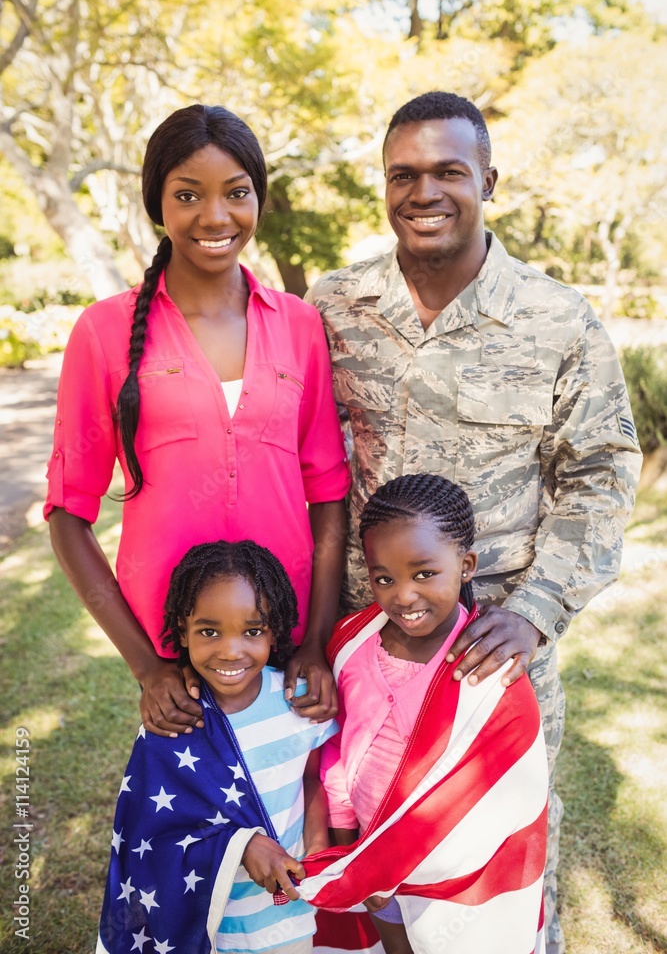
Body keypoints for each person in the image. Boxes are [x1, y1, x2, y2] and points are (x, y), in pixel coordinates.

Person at [306, 91, 643, 954]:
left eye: (448, 172)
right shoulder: (334, 309)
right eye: (403, 175)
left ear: (487, 178)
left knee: (496, 885)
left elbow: (601, 475)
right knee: (360, 869)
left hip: (494, 659)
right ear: (383, 188)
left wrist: (533, 611)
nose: (425, 191)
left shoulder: (555, 318)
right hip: (364, 657)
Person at [45, 104, 349, 737]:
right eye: (188, 195)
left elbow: (326, 494)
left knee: (297, 823)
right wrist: (147, 666)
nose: (215, 216)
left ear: (258, 200)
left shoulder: (299, 325)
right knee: (193, 828)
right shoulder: (103, 333)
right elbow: (69, 515)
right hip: (175, 661)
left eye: (237, 193)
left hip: (283, 648)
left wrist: (315, 642)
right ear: (159, 204)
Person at [298, 474, 548, 954]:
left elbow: (507, 796)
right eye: (384, 579)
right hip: (372, 856)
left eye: (424, 574)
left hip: (451, 876)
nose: (403, 596)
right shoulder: (353, 644)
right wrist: (348, 833)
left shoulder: (489, 671)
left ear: (466, 565)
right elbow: (338, 742)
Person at [98, 539, 338, 954]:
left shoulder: (297, 703)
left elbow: (313, 778)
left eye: (252, 631)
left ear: (275, 630)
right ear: (182, 630)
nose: (231, 650)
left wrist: (317, 846)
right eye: (209, 631)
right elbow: (151, 839)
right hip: (204, 924)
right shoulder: (172, 720)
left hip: (286, 918)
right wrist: (242, 845)